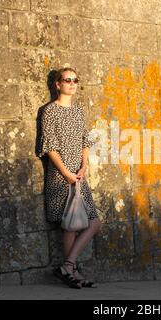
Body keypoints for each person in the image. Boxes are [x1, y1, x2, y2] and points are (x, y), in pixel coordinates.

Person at [37, 67, 102, 289]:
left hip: (79, 175)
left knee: (93, 222)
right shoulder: (49, 111)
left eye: (76, 80)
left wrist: (84, 166)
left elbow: (85, 140)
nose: (72, 84)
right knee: (70, 224)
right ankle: (71, 271)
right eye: (67, 80)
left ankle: (68, 266)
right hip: (60, 175)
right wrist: (66, 173)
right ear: (57, 84)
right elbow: (49, 146)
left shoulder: (78, 111)